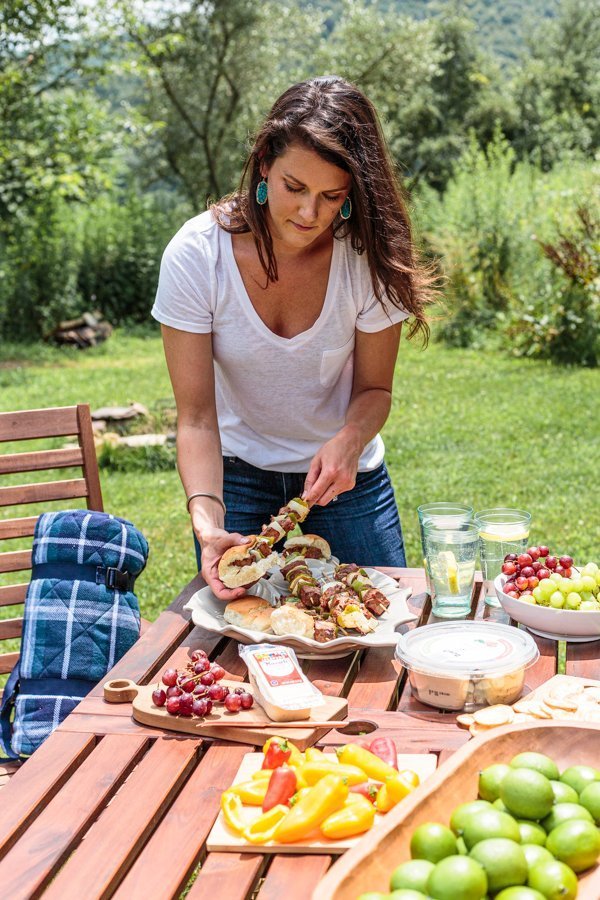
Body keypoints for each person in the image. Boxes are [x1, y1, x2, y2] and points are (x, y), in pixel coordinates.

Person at [152, 75, 434, 601]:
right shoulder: (196, 254)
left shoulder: (367, 256)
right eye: (294, 188)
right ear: (264, 163)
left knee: (381, 627)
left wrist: (349, 441)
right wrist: (208, 521)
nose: (309, 214)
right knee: (236, 641)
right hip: (234, 472)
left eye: (332, 197)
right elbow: (195, 417)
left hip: (346, 477)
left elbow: (375, 390)